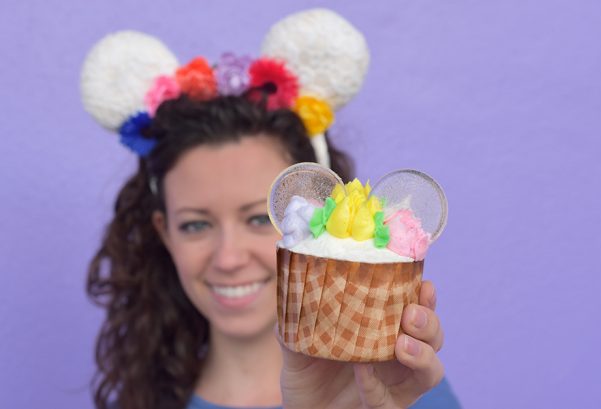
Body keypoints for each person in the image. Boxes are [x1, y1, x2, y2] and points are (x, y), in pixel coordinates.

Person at [83, 10, 461, 409]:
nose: (228, 257)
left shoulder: (401, 396)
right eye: (195, 225)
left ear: (325, 223)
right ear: (164, 233)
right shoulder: (142, 400)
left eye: (260, 218)